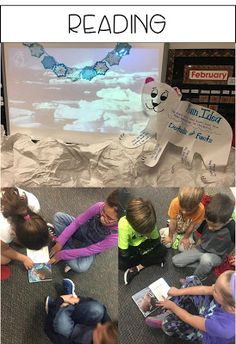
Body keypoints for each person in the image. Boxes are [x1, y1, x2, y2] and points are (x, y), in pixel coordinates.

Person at [146, 271, 235, 344]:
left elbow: (189, 318)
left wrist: (173, 307)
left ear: (230, 306)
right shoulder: (229, 300)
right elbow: (205, 289)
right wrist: (178, 292)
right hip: (210, 312)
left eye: (215, 290)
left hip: (205, 333)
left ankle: (171, 312)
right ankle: (178, 305)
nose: (212, 286)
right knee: (192, 279)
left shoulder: (226, 327)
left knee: (167, 325)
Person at [49, 190, 118, 273]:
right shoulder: (99, 206)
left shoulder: (116, 235)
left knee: (81, 267)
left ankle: (68, 248)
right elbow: (77, 222)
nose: (102, 217)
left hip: (90, 245)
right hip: (82, 229)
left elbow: (90, 250)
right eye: (103, 210)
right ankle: (68, 248)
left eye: (109, 218)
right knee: (58, 217)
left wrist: (62, 255)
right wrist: (60, 242)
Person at [172, 193, 235, 281]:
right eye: (209, 224)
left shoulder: (232, 228)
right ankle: (204, 266)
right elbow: (201, 235)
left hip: (217, 256)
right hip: (202, 248)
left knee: (206, 259)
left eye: (214, 226)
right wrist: (195, 247)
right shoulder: (208, 219)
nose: (210, 228)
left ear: (226, 221)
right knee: (176, 261)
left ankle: (196, 279)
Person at [44, 278, 118, 344]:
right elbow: (101, 308)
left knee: (59, 322)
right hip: (83, 321)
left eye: (98, 332)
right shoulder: (110, 332)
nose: (98, 325)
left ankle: (57, 309)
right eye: (104, 325)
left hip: (71, 335)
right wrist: (77, 300)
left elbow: (48, 330)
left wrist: (59, 301)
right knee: (97, 309)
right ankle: (68, 300)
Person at [0, 187, 49, 278]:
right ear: (14, 233)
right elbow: (3, 249)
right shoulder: (3, 230)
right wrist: (24, 258)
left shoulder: (34, 204)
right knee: (5, 259)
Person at [118, 198, 167, 285]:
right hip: (131, 248)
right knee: (121, 263)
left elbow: (156, 241)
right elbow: (124, 253)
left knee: (163, 250)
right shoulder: (123, 225)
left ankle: (138, 267)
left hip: (144, 246)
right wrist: (142, 253)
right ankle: (148, 261)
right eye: (144, 232)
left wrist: (144, 251)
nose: (148, 233)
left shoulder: (150, 222)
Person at [160, 187, 205, 251]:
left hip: (186, 230)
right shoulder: (175, 202)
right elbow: (173, 222)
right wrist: (170, 236)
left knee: (183, 249)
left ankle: (182, 236)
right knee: (167, 244)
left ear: (197, 204)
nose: (184, 212)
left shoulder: (201, 209)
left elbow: (192, 226)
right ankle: (165, 231)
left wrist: (186, 238)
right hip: (175, 227)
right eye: (181, 207)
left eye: (188, 210)